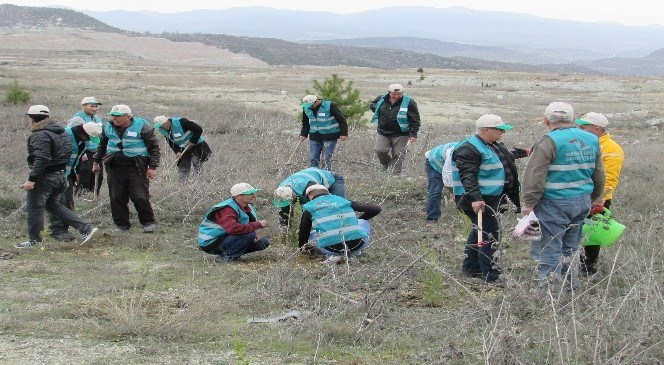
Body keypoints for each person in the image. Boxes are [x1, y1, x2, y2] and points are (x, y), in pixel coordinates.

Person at [521, 102, 605, 292]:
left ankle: (550, 294)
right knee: (571, 248)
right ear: (573, 120)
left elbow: (535, 176)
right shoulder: (591, 139)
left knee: (549, 248)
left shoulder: (548, 141)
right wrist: (593, 198)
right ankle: (569, 289)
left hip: (553, 203)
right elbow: (599, 173)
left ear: (546, 120)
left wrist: (528, 203)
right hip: (582, 201)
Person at [451, 114, 521, 286]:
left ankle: (471, 268)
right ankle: (492, 275)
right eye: (499, 129)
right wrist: (476, 198)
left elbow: (508, 161)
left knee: (479, 230)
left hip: (491, 197)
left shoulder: (494, 145)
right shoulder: (468, 148)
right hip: (477, 200)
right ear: (486, 130)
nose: (502, 132)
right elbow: (468, 175)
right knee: (490, 234)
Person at [15, 105, 99, 248]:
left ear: (32, 118)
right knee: (54, 205)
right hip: (61, 176)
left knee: (34, 207)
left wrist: (32, 179)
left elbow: (42, 158)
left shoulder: (40, 135)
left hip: (46, 177)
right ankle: (86, 228)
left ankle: (34, 241)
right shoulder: (62, 133)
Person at [92, 104, 161, 233]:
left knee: (139, 196)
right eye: (113, 116)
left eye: (118, 116)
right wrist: (96, 161)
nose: (114, 119)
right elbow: (102, 145)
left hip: (136, 167)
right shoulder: (107, 127)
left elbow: (154, 148)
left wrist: (152, 167)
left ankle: (148, 222)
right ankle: (121, 225)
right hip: (114, 167)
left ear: (128, 116)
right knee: (116, 197)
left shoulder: (143, 127)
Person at [575, 112, 625, 275]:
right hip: (580, 195)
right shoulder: (586, 143)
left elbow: (609, 179)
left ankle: (587, 268)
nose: (579, 130)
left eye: (583, 127)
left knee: (591, 235)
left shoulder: (611, 148)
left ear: (596, 129)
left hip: (597, 199)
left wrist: (598, 200)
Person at [298, 184, 381, 263]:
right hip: (358, 245)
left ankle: (332, 256)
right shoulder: (343, 200)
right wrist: (356, 223)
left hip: (330, 249)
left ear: (309, 196)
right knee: (362, 222)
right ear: (327, 192)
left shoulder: (309, 208)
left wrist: (302, 250)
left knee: (312, 234)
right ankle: (354, 253)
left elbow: (303, 233)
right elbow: (376, 209)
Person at [49, 122, 103, 241]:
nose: (89, 140)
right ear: (82, 133)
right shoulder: (63, 137)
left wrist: (75, 173)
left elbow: (76, 158)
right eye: (88, 137)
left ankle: (64, 230)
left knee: (67, 203)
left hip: (67, 175)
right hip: (55, 174)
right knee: (58, 203)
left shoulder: (81, 141)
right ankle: (57, 231)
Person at [197, 183, 269, 263]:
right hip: (210, 242)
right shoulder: (227, 209)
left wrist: (254, 235)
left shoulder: (245, 206)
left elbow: (243, 225)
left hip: (223, 237)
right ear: (238, 196)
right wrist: (258, 225)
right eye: (250, 193)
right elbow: (234, 229)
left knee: (263, 242)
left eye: (253, 193)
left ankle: (231, 254)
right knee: (249, 235)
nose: (254, 196)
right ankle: (226, 257)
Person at [369, 83, 421, 174]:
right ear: (389, 93)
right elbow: (373, 105)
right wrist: (380, 114)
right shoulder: (381, 99)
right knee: (380, 150)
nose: (396, 96)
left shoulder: (409, 102)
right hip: (383, 132)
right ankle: (386, 165)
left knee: (398, 154)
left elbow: (415, 119)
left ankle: (395, 174)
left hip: (401, 133)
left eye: (399, 94)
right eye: (394, 94)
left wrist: (413, 134)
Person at [273, 167, 345, 227]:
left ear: (293, 196)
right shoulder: (281, 191)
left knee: (337, 208)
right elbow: (284, 213)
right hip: (308, 178)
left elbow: (318, 207)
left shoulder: (310, 189)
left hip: (332, 179)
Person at [153, 115, 212, 182]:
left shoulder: (181, 122)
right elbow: (170, 141)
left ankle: (198, 182)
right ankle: (183, 184)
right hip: (183, 147)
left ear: (166, 122)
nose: (161, 128)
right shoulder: (162, 130)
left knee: (196, 163)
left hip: (196, 145)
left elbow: (198, 129)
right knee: (183, 166)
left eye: (161, 126)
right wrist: (177, 151)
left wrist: (193, 141)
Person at [67, 97, 104, 196]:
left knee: (97, 177)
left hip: (96, 152)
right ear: (83, 106)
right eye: (91, 106)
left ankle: (93, 197)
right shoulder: (77, 119)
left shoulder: (97, 119)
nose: (94, 108)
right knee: (84, 178)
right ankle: (80, 197)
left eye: (96, 106)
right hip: (84, 153)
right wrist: (81, 153)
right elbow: (71, 138)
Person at [300, 95, 348, 170]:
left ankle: (326, 176)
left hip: (330, 136)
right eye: (307, 105)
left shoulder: (330, 105)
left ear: (316, 102)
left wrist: (343, 133)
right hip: (314, 136)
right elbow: (305, 123)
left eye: (311, 105)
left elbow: (341, 120)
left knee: (326, 158)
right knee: (313, 158)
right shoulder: (306, 108)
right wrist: (303, 134)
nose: (309, 107)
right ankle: (314, 176)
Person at [424, 141, 459, 226]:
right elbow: (447, 177)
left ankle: (463, 216)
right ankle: (432, 219)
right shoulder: (452, 154)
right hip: (433, 163)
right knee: (435, 190)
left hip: (447, 163)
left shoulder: (473, 153)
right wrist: (453, 192)